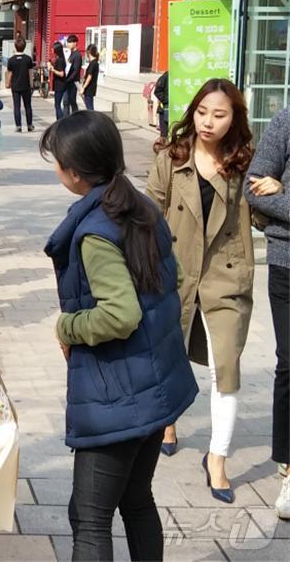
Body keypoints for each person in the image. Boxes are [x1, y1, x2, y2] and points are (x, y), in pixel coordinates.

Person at [42, 110, 198, 561]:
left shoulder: (95, 231)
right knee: (136, 500)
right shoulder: (140, 204)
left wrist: (67, 326)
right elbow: (178, 276)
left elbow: (121, 314)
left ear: (74, 172)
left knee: (88, 518)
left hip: (119, 396)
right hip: (156, 384)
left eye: (57, 161)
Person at [146, 78, 261, 503]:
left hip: (226, 276)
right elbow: (151, 214)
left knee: (225, 367)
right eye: (202, 112)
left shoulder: (246, 162)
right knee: (168, 352)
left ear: (235, 120)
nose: (209, 122)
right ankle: (169, 420)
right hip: (175, 271)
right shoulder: (171, 157)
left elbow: (262, 219)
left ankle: (218, 458)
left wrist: (272, 191)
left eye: (220, 114)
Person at [243, 108, 290, 518]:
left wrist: (285, 196)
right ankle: (289, 466)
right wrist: (273, 193)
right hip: (287, 262)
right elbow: (253, 187)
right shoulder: (287, 121)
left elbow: (274, 196)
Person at [6, 38, 35, 132]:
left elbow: (10, 73)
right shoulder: (28, 59)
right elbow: (30, 72)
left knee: (16, 106)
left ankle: (18, 126)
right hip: (26, 85)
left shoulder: (11, 60)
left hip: (15, 86)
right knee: (28, 105)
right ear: (25, 47)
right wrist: (31, 83)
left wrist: (8, 83)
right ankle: (30, 125)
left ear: (15, 47)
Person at [64, 34, 83, 115]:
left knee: (72, 101)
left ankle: (76, 119)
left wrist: (68, 79)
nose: (68, 44)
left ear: (75, 43)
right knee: (66, 102)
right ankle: (65, 120)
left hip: (73, 82)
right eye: (68, 42)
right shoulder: (71, 54)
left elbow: (75, 71)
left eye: (70, 42)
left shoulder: (77, 55)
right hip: (68, 81)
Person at [48, 42, 67, 121]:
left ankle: (60, 120)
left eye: (53, 48)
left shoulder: (59, 60)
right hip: (59, 84)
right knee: (57, 104)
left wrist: (52, 69)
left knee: (57, 105)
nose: (52, 49)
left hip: (60, 84)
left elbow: (62, 73)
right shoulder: (60, 58)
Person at [81, 44, 100, 111]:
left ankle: (92, 120)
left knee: (89, 107)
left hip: (89, 88)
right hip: (91, 88)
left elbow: (89, 77)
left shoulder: (93, 64)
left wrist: (83, 87)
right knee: (89, 105)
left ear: (89, 52)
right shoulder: (95, 63)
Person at [153, 71, 170, 138]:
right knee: (164, 136)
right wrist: (167, 100)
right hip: (165, 110)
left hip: (178, 111)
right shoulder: (166, 76)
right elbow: (157, 91)